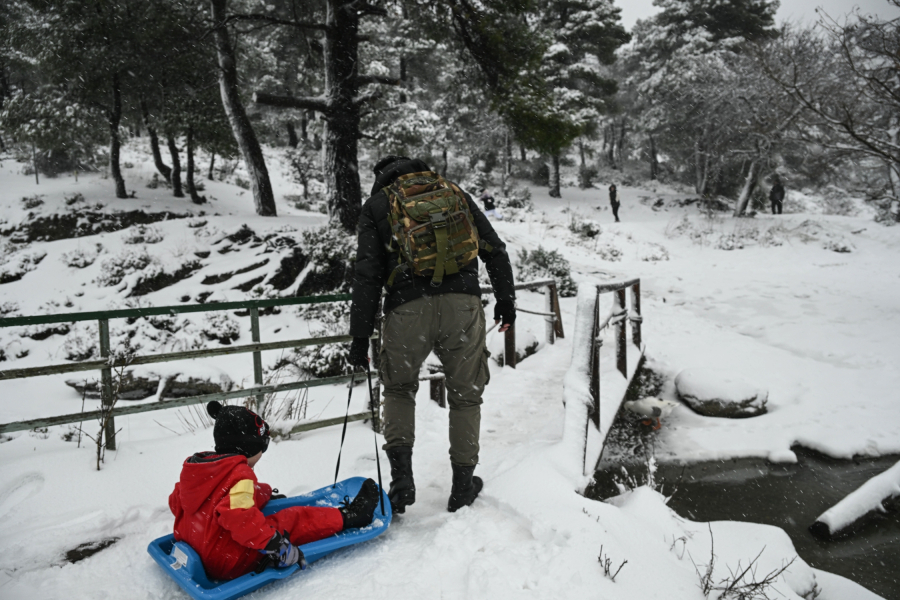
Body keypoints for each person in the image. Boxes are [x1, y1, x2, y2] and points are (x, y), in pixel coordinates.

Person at [348, 156, 516, 514]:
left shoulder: (377, 206)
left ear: (382, 177)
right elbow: (493, 247)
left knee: (397, 389)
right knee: (466, 396)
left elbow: (367, 276)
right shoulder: (455, 193)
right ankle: (462, 485)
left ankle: (402, 480)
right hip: (463, 307)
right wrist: (506, 299)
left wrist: (359, 337)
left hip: (406, 311)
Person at [168, 401, 380, 580]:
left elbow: (178, 502)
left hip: (195, 546)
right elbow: (239, 519)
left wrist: (263, 494)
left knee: (250, 506)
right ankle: (351, 516)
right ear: (250, 448)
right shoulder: (240, 475)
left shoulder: (198, 467)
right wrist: (277, 546)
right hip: (226, 561)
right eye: (263, 446)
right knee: (293, 519)